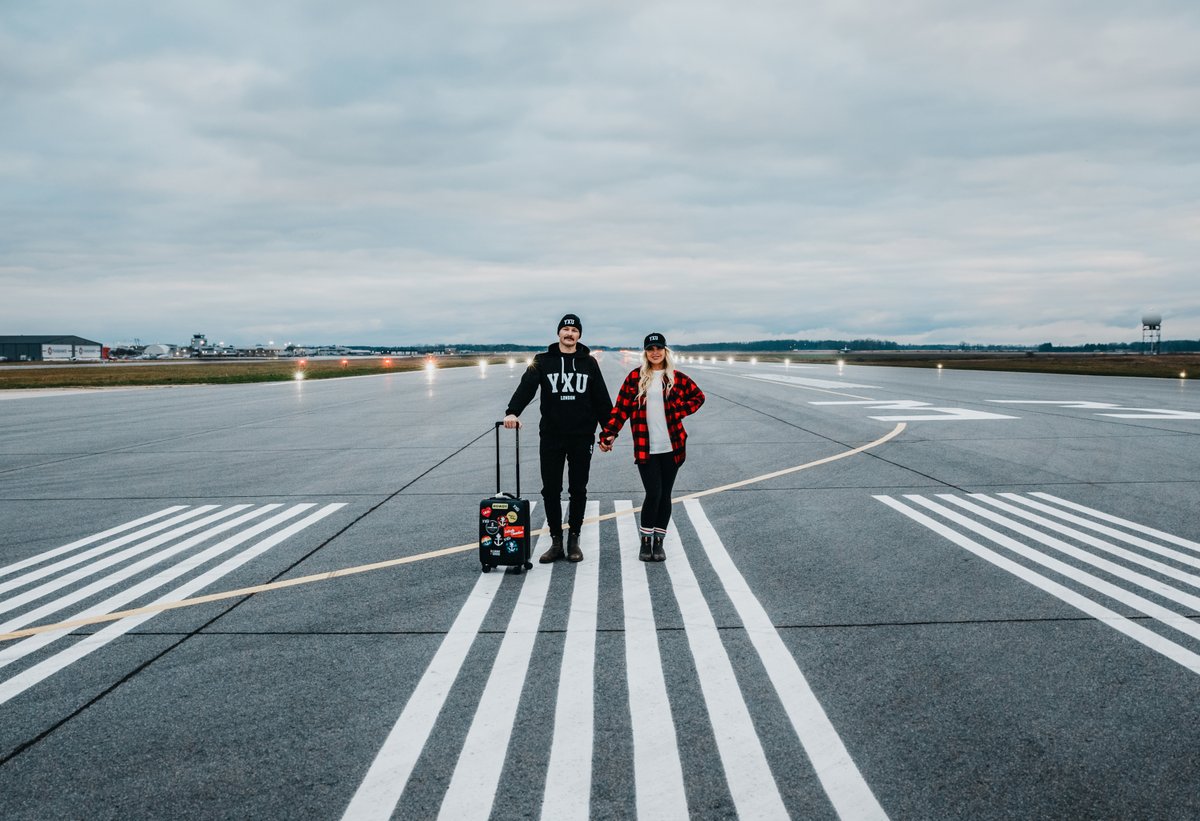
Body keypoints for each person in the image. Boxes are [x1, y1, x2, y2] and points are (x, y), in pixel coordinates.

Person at [504, 313, 612, 563]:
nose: (570, 334)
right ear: (558, 334)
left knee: (578, 489)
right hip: (551, 436)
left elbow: (601, 399)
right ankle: (556, 541)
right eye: (566, 329)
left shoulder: (589, 363)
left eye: (574, 330)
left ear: (579, 335)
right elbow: (526, 387)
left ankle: (574, 539)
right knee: (550, 490)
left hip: (582, 436)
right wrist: (512, 411)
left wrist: (609, 431)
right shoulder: (543, 361)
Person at [598, 333, 705, 562]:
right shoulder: (635, 378)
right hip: (647, 448)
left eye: (659, 348)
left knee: (665, 495)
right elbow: (620, 410)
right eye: (650, 349)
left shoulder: (676, 378)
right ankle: (645, 542)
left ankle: (659, 542)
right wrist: (608, 434)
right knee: (653, 493)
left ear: (666, 351)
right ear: (645, 353)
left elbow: (698, 397)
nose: (655, 352)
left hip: (673, 447)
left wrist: (678, 412)